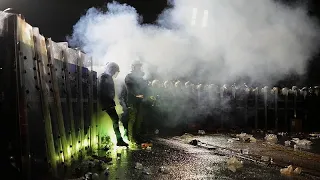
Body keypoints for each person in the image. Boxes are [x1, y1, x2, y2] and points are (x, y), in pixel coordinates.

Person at [99, 62, 128, 147]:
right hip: (107, 103)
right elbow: (103, 92)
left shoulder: (105, 77)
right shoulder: (105, 77)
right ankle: (119, 140)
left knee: (115, 120)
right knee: (115, 120)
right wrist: (109, 100)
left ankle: (119, 140)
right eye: (114, 70)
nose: (115, 73)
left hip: (108, 102)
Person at [125, 60, 149, 143]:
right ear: (133, 67)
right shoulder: (129, 76)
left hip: (140, 100)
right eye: (137, 66)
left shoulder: (140, 77)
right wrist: (136, 94)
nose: (139, 68)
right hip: (132, 100)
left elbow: (144, 87)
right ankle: (131, 138)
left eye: (140, 66)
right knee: (132, 119)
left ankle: (137, 136)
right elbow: (130, 87)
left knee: (139, 119)